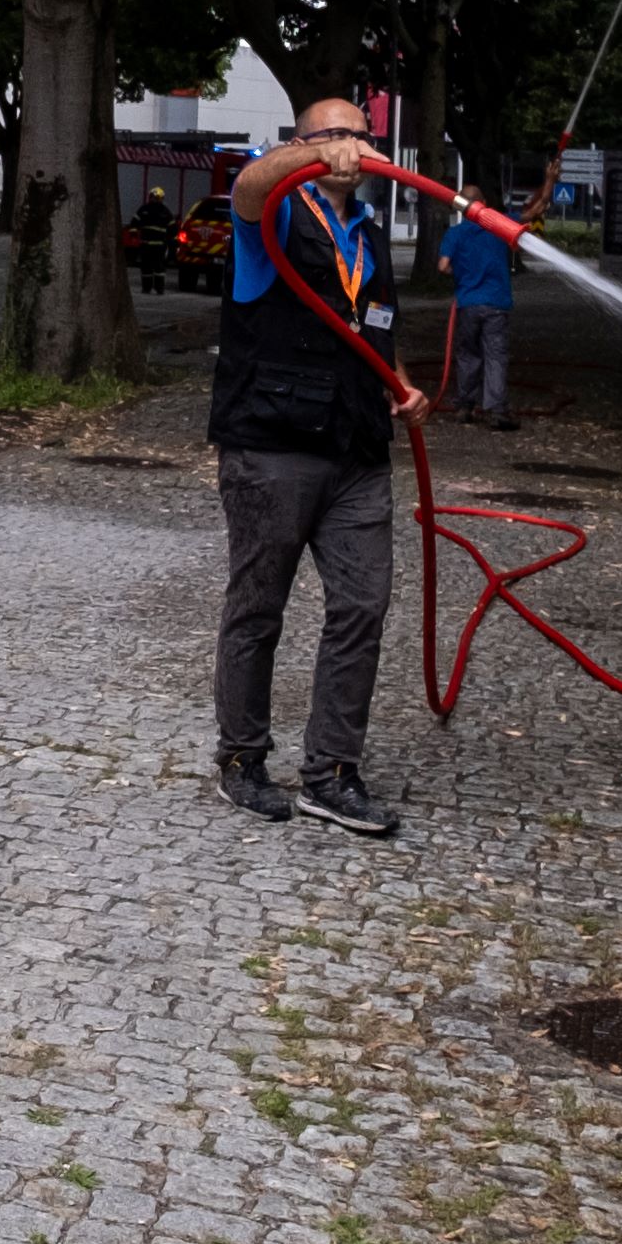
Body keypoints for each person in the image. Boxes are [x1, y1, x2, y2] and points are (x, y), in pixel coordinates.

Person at [209, 89, 408, 839]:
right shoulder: (276, 217)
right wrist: (307, 155)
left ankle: (331, 773)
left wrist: (403, 386)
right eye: (332, 137)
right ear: (303, 142)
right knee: (258, 607)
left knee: (362, 606)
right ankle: (241, 759)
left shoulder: (370, 231)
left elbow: (375, 326)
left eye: (357, 138)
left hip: (358, 453)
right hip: (272, 447)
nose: (348, 150)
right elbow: (249, 186)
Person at [437, 180, 526, 429]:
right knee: (495, 356)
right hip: (496, 303)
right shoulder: (498, 228)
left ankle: (465, 407)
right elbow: (532, 212)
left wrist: (463, 275)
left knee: (468, 354)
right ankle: (497, 411)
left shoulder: (455, 233)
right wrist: (550, 182)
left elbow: (442, 266)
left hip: (467, 303)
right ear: (484, 204)